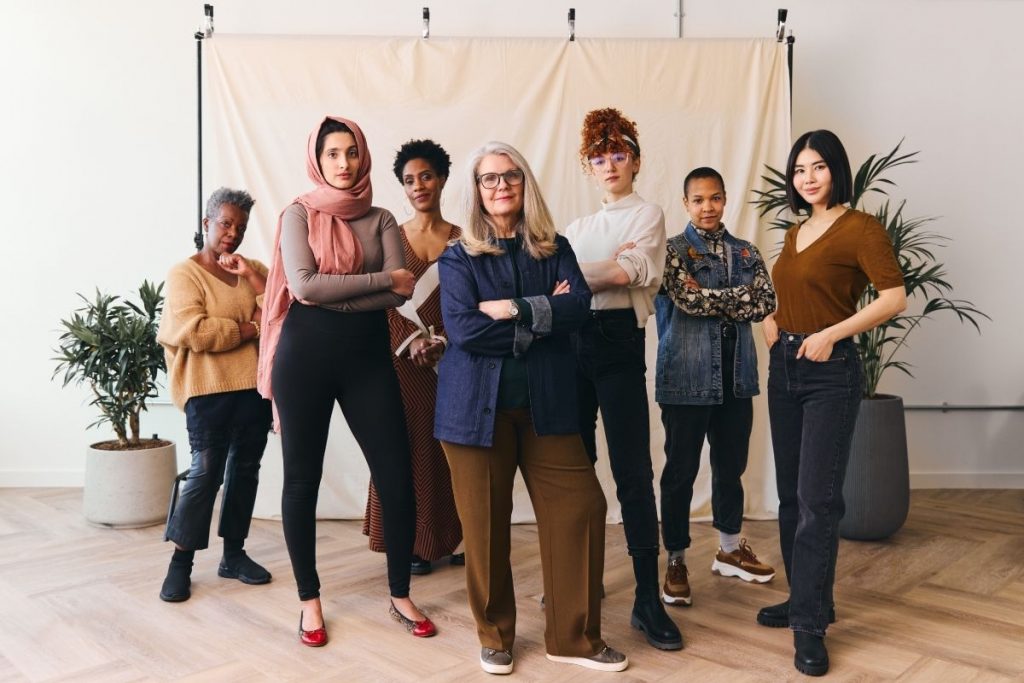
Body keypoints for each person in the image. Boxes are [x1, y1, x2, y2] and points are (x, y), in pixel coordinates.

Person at [437, 141, 628, 675]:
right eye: (489, 179)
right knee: (485, 527)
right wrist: (542, 320)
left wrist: (515, 309)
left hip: (548, 406)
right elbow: (465, 329)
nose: (501, 187)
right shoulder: (458, 255)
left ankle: (573, 639)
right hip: (474, 412)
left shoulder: (554, 246)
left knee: (582, 510)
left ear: (526, 183)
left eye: (510, 176)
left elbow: (579, 308)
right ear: (475, 191)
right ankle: (495, 636)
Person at [258, 116, 435, 647]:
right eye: (333, 153)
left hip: (366, 359)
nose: (344, 163)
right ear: (318, 157)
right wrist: (380, 280)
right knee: (301, 481)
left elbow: (401, 297)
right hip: (304, 358)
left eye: (352, 152)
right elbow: (308, 288)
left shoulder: (381, 216)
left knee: (396, 474)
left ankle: (400, 593)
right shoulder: (297, 212)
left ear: (363, 157)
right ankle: (309, 601)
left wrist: (354, 291)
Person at [759, 130, 906, 676]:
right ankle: (806, 600)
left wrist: (831, 334)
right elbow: (784, 293)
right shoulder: (797, 231)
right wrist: (770, 325)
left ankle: (810, 626)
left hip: (831, 372)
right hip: (785, 369)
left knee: (818, 500)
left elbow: (894, 296)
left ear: (836, 171)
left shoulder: (860, 228)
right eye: (799, 169)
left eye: (818, 167)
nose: (807, 177)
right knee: (791, 496)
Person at [563, 108, 682, 651]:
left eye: (618, 155)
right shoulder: (577, 229)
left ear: (634, 160)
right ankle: (579, 586)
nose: (609, 165)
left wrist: (570, 277)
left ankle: (646, 599)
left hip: (617, 343)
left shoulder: (649, 214)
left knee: (632, 470)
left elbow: (626, 273)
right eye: (598, 158)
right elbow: (591, 277)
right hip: (570, 345)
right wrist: (589, 274)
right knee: (575, 468)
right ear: (588, 168)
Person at [655, 167, 778, 610]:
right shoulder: (671, 251)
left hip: (737, 379)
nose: (708, 207)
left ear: (725, 200)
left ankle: (729, 548)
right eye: (699, 199)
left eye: (715, 198)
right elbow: (685, 300)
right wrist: (736, 300)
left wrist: (712, 300)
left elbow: (765, 301)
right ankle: (676, 559)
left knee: (731, 466)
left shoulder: (746, 251)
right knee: (680, 472)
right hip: (686, 379)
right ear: (686, 203)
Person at [157, 187, 273, 602]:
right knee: (206, 472)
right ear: (206, 223)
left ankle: (234, 556)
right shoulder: (184, 274)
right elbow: (196, 332)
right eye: (225, 223)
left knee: (245, 470)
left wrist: (251, 284)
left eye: (240, 227)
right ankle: (180, 563)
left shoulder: (252, 267)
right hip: (206, 390)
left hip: (254, 389)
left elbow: (279, 310)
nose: (232, 233)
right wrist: (250, 327)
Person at [362, 139, 464, 574]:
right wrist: (412, 341)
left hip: (450, 362)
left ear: (441, 179)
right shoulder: (390, 237)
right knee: (402, 448)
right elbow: (378, 299)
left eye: (426, 176)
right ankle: (409, 541)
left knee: (450, 450)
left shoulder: (464, 240)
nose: (418, 186)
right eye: (409, 180)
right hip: (399, 361)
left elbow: (474, 302)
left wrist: (444, 343)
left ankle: (449, 537)